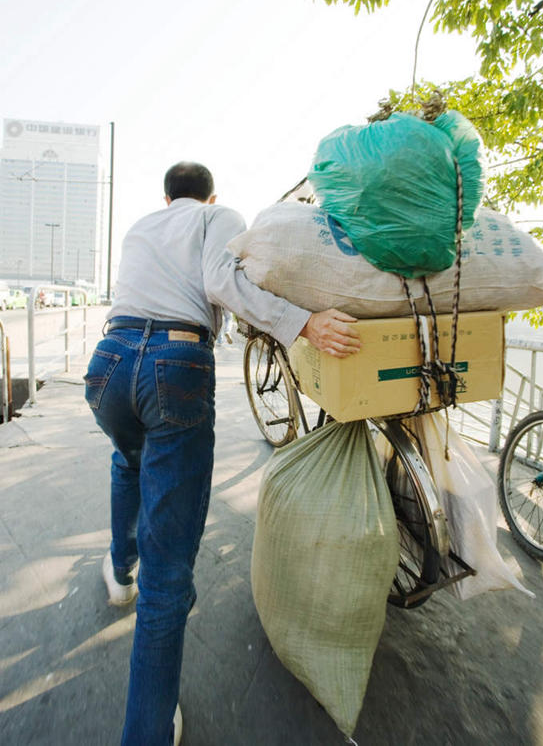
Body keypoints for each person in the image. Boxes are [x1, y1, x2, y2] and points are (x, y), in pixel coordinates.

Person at [84, 161, 360, 746]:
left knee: (129, 458)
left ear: (165, 198)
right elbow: (221, 282)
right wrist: (302, 324)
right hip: (175, 365)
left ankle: (118, 569)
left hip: (108, 365)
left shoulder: (140, 228)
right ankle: (147, 730)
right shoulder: (219, 215)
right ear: (211, 195)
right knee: (170, 570)